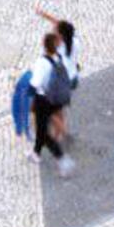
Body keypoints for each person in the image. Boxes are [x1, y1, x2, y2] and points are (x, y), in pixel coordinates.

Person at [27, 32, 75, 176]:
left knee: (43, 132)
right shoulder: (60, 58)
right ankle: (36, 154)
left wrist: (29, 98)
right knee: (42, 129)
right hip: (57, 99)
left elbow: (35, 83)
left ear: (44, 45)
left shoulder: (42, 62)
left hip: (43, 100)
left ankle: (63, 159)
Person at [36, 7, 78, 146]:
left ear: (60, 36)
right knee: (57, 109)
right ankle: (58, 135)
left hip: (60, 82)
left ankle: (63, 133)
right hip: (71, 79)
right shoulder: (74, 39)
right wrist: (45, 14)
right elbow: (61, 24)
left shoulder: (57, 49)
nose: (53, 30)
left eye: (55, 31)